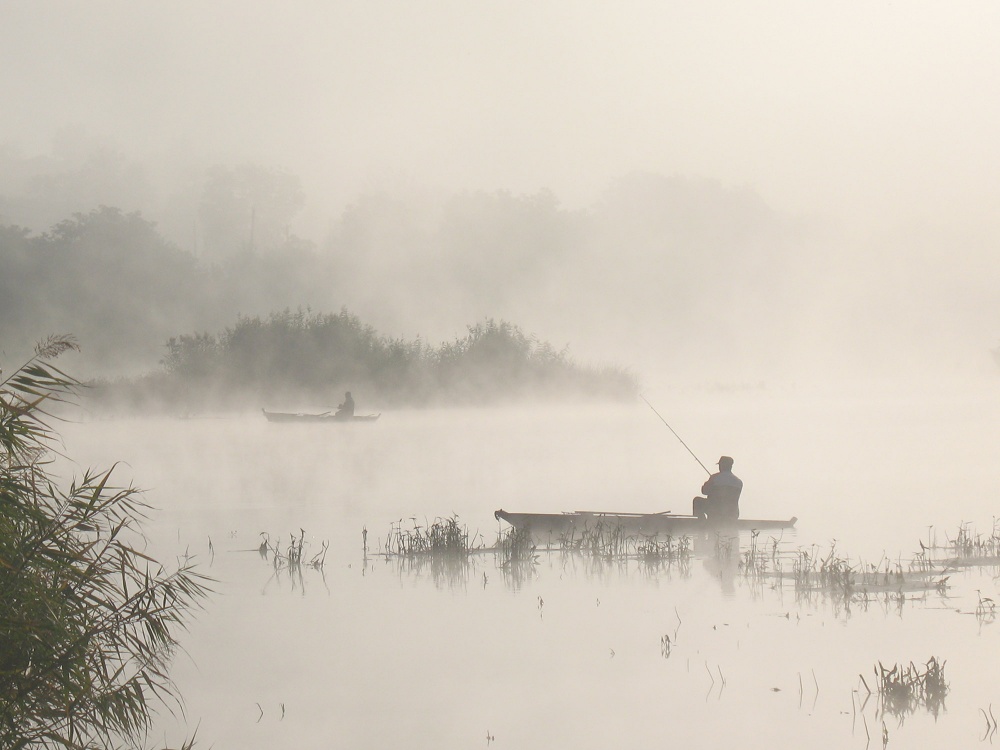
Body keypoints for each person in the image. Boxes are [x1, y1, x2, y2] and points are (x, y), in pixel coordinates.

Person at [692, 456, 743, 522]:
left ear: (722, 465)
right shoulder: (738, 482)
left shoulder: (714, 478)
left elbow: (704, 491)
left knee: (697, 501)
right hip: (732, 513)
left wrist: (706, 483)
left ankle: (702, 524)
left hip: (716, 511)